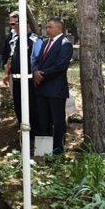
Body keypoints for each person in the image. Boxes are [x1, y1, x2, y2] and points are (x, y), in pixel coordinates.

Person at [33, 17, 73, 155]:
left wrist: (42, 74)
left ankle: (57, 151)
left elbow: (60, 66)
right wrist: (35, 71)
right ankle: (43, 152)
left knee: (58, 122)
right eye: (46, 26)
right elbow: (37, 60)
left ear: (58, 28)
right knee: (43, 121)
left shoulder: (65, 44)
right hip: (42, 89)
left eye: (50, 27)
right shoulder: (45, 43)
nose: (47, 29)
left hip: (56, 90)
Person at [3, 17, 43, 143]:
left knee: (32, 109)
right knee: (19, 107)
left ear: (26, 24)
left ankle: (34, 137)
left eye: (17, 24)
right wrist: (7, 72)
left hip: (30, 81)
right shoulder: (14, 40)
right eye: (13, 25)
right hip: (16, 80)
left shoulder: (35, 39)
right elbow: (11, 57)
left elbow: (39, 58)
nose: (14, 26)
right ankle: (24, 135)